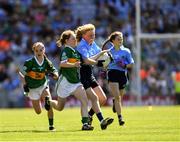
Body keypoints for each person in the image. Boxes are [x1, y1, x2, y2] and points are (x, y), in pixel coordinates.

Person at [47, 30, 94, 130]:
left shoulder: (75, 52)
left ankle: (85, 124)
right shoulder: (66, 50)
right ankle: (49, 102)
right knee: (60, 107)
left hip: (75, 82)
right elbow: (62, 64)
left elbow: (86, 61)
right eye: (73, 38)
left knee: (84, 100)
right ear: (67, 41)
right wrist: (74, 64)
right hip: (65, 82)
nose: (75, 40)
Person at [75, 23, 114, 130]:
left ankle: (89, 116)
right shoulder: (81, 45)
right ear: (83, 35)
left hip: (90, 74)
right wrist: (100, 61)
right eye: (90, 35)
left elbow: (100, 55)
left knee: (102, 98)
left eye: (94, 35)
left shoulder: (92, 44)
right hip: (81, 75)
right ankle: (102, 121)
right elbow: (87, 61)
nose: (92, 37)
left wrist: (107, 58)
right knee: (95, 98)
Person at [19, 42, 59, 131]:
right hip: (32, 88)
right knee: (38, 112)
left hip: (43, 85)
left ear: (44, 50)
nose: (39, 52)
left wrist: (55, 75)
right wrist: (25, 85)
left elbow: (54, 71)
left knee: (48, 100)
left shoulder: (47, 62)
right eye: (37, 50)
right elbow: (21, 74)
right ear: (34, 51)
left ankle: (51, 126)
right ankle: (41, 102)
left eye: (41, 50)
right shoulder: (29, 62)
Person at [102, 31, 134, 125]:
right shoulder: (108, 52)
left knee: (119, 97)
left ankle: (114, 102)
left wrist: (124, 65)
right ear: (113, 41)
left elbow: (131, 64)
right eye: (118, 39)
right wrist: (104, 69)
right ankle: (120, 118)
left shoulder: (126, 51)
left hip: (123, 75)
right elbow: (104, 64)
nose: (120, 40)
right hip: (112, 73)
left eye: (121, 39)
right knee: (117, 97)